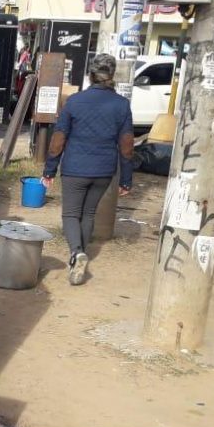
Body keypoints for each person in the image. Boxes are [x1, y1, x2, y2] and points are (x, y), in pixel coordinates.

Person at [42, 53, 134, 286]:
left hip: (75, 168)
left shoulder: (74, 101)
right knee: (89, 213)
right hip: (104, 171)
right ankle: (80, 257)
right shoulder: (122, 105)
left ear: (91, 75)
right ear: (111, 75)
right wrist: (126, 179)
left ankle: (76, 252)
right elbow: (126, 145)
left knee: (71, 214)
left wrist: (49, 170)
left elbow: (58, 139)